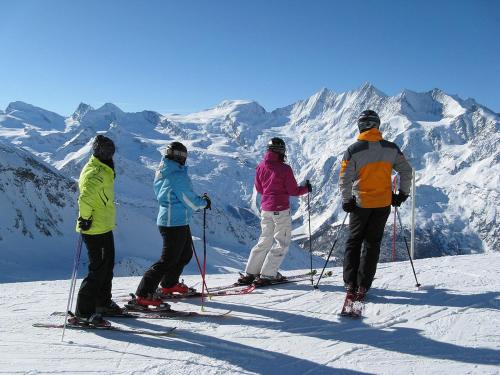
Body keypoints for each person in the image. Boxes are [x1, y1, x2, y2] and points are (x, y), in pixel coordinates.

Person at [339, 110, 412, 301]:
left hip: (360, 204)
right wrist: (402, 194)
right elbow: (406, 170)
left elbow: (344, 178)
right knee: (372, 244)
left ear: (360, 126)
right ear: (377, 125)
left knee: (354, 242)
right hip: (382, 204)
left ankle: (350, 284)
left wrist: (347, 200)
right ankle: (363, 285)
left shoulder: (353, 150)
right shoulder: (391, 148)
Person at [134, 141, 211, 306]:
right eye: (181, 155)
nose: (183, 158)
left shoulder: (167, 170)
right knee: (167, 260)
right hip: (173, 222)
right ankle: (143, 293)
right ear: (175, 156)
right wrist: (204, 202)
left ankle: (169, 284)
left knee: (184, 255)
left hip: (176, 220)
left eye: (184, 155)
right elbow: (190, 201)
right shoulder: (176, 175)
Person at [238, 137, 312, 286]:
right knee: (281, 242)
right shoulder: (285, 169)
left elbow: (259, 189)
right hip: (280, 210)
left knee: (264, 240)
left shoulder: (261, 166)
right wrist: (306, 189)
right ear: (282, 151)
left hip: (265, 209)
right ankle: (267, 274)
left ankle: (251, 273)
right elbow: (293, 191)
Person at [71, 134, 121, 325]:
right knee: (98, 270)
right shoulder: (95, 172)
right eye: (106, 151)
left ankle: (102, 303)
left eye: (111, 151)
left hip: (104, 226)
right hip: (94, 229)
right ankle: (83, 312)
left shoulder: (103, 168)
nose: (110, 154)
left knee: (107, 268)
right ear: (98, 151)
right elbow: (84, 198)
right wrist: (85, 219)